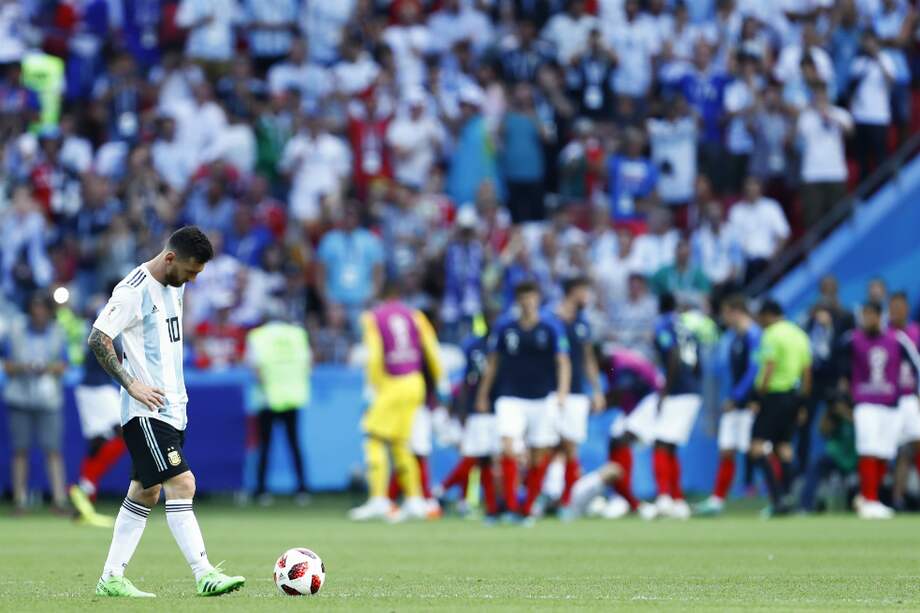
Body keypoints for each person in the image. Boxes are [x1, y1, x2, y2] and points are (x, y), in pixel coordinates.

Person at [88, 226, 245, 597]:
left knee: (146, 492)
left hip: (174, 409)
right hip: (146, 411)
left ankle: (111, 577)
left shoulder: (176, 283)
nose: (194, 278)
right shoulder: (133, 291)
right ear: (170, 258)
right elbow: (98, 337)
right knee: (183, 484)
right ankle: (204, 572)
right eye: (191, 271)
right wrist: (131, 384)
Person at [475, 280, 571, 524]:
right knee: (507, 447)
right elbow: (493, 362)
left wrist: (562, 392)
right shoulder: (505, 327)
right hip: (511, 397)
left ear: (537, 299)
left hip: (542, 398)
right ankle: (509, 505)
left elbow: (563, 361)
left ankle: (527, 508)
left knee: (539, 455)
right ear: (517, 300)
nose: (527, 302)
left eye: (531, 297)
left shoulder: (551, 327)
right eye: (523, 297)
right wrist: (484, 394)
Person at [348, 281, 443, 522]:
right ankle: (414, 499)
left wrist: (372, 387)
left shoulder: (373, 318)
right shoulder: (415, 315)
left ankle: (378, 499)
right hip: (415, 382)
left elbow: (375, 354)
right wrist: (440, 380)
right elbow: (431, 348)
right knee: (401, 442)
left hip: (392, 382)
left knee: (374, 437)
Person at [613, 293, 706, 520]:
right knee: (669, 444)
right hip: (692, 390)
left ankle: (665, 497)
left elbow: (672, 356)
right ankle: (677, 499)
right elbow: (697, 361)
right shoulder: (686, 326)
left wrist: (667, 389)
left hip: (678, 390)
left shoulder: (663, 325)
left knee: (661, 443)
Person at [839, 301, 920, 519]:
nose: (868, 320)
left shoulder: (896, 339)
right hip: (865, 402)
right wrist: (843, 395)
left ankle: (872, 498)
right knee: (868, 448)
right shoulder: (852, 339)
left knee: (884, 451)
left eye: (872, 315)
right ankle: (869, 499)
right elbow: (837, 365)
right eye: (865, 315)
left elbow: (916, 365)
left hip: (890, 403)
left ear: (880, 316)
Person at [3, 292, 69, 516]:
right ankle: (20, 501)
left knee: (54, 450)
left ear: (49, 312)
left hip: (48, 399)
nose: (39, 313)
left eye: (42, 309)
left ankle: (59, 501)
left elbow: (63, 365)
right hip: (20, 397)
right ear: (29, 310)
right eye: (35, 308)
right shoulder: (15, 331)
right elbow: (8, 366)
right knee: (20, 450)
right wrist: (26, 367)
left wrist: (46, 369)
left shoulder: (58, 333)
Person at [696, 295, 760, 516]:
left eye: (725, 312)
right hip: (733, 403)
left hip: (748, 402)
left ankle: (778, 495)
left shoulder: (754, 335)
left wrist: (741, 396)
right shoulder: (734, 338)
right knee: (726, 450)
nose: (724, 318)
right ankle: (717, 500)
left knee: (757, 451)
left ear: (735, 311)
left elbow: (755, 369)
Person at [69, 294, 128, 527]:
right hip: (98, 386)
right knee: (124, 433)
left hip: (93, 386)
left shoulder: (107, 309)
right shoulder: (110, 311)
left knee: (98, 441)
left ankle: (84, 493)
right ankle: (84, 490)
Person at [751, 300, 812, 518]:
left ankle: (777, 499)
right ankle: (789, 498)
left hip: (773, 396)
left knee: (757, 447)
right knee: (784, 448)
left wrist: (759, 396)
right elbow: (806, 373)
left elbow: (769, 366)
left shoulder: (771, 335)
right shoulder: (800, 335)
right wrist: (803, 403)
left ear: (768, 315)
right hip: (794, 397)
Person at [551, 277, 606, 519]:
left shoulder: (583, 324)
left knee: (571, 447)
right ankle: (538, 497)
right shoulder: (550, 319)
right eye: (585, 290)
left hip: (575, 394)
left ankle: (566, 502)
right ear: (573, 291)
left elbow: (588, 359)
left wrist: (596, 390)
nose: (588, 296)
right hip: (550, 392)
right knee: (545, 447)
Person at [246, 308, 312, 505]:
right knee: (295, 445)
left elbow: (255, 368)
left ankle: (261, 492)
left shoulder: (258, 337)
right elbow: (309, 363)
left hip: (268, 397)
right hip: (293, 397)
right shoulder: (297, 335)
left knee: (265, 446)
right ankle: (302, 490)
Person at [434, 319, 499, 519]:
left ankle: (491, 506)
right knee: (473, 455)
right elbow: (466, 382)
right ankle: (441, 490)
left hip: (499, 407)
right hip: (478, 410)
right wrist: (462, 411)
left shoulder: (506, 343)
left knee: (486, 459)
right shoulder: (475, 347)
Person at [889, 292, 920, 508]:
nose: (897, 311)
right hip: (889, 400)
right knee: (896, 450)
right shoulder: (884, 334)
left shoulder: (915, 333)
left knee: (916, 444)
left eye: (901, 307)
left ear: (907, 309)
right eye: (893, 308)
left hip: (911, 397)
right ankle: (895, 498)